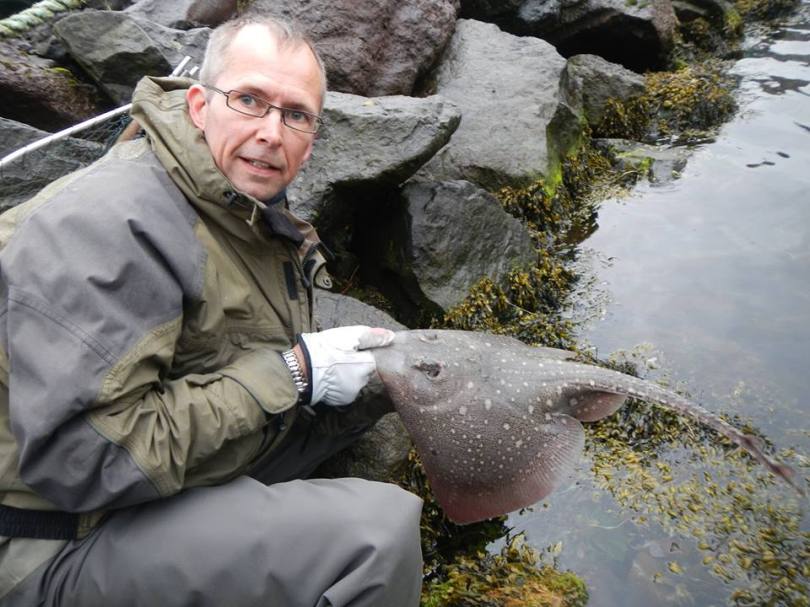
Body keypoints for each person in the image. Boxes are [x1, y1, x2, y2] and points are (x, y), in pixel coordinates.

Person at [0, 14, 423, 607]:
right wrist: (296, 372)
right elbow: (84, 462)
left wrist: (372, 379)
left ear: (313, 137)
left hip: (131, 487)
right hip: (49, 536)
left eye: (296, 115)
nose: (271, 132)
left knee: (380, 388)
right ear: (199, 106)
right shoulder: (106, 227)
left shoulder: (235, 203)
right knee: (378, 537)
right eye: (249, 100)